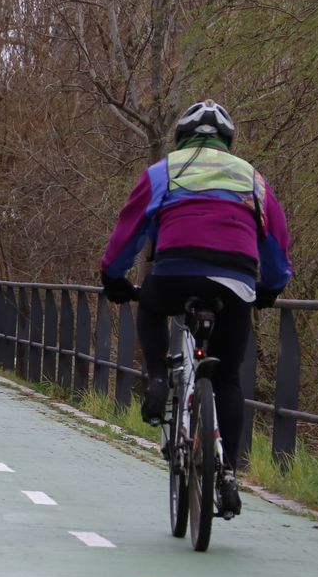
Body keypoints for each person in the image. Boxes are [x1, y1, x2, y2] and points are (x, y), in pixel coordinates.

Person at [98, 99, 293, 483]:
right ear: (227, 142)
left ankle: (155, 378)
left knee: (152, 304)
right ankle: (228, 475)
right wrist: (271, 287)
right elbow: (276, 240)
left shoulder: (162, 170)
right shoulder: (252, 178)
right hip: (235, 281)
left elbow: (128, 231)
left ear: (181, 138)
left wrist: (114, 277)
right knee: (229, 379)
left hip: (175, 272)